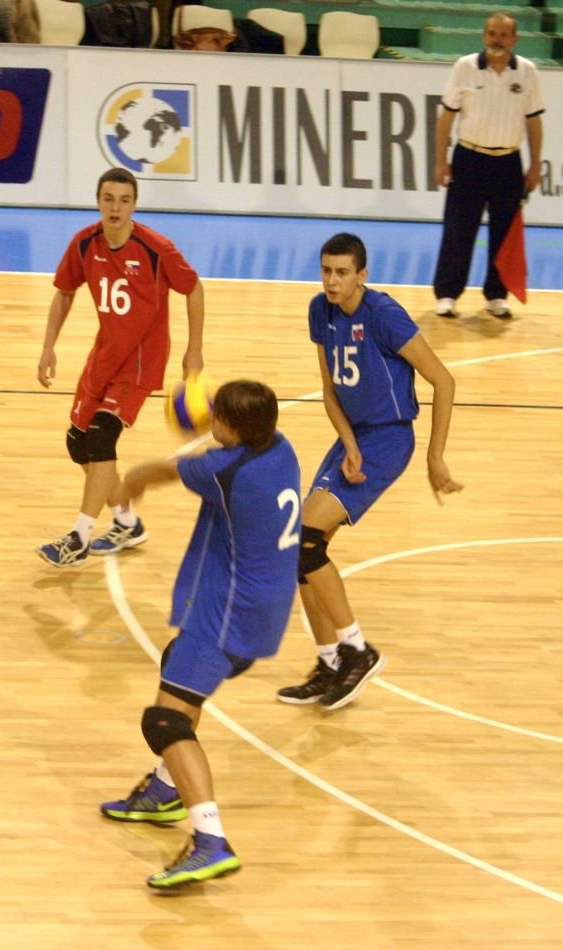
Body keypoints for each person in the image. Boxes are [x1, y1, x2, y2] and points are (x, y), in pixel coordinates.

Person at [99, 380, 301, 889]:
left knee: (165, 722)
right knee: (179, 670)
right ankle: (165, 790)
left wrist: (130, 482)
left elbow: (163, 471)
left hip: (227, 613)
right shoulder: (280, 448)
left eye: (218, 416)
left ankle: (210, 841)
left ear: (231, 425)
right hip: (265, 607)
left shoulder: (225, 470)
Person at [277, 233, 463, 712]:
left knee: (307, 541)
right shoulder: (320, 311)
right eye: (326, 271)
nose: (332, 281)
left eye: (342, 272)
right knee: (299, 551)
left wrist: (435, 456)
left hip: (389, 439)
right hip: (354, 437)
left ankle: (358, 650)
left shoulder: (384, 315)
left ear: (362, 275)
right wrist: (348, 443)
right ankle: (329, 663)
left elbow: (443, 380)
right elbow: (329, 389)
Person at [36, 167, 205, 567]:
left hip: (142, 360)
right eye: (109, 199)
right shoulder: (84, 243)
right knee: (78, 444)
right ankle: (127, 523)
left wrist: (194, 350)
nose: (116, 207)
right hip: (104, 355)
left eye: (124, 200)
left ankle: (79, 536)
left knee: (100, 438)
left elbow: (193, 287)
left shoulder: (155, 248)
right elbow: (64, 292)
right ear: (98, 201)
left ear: (134, 205)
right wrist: (48, 347)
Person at [433, 12, 544, 320]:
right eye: (492, 33)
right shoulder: (464, 67)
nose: (497, 39)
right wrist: (441, 161)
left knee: (503, 232)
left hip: (508, 162)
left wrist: (535, 164)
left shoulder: (528, 72)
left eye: (504, 34)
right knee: (458, 229)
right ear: (484, 35)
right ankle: (447, 294)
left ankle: (496, 295)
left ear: (514, 39)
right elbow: (446, 118)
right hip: (469, 159)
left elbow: (533, 122)